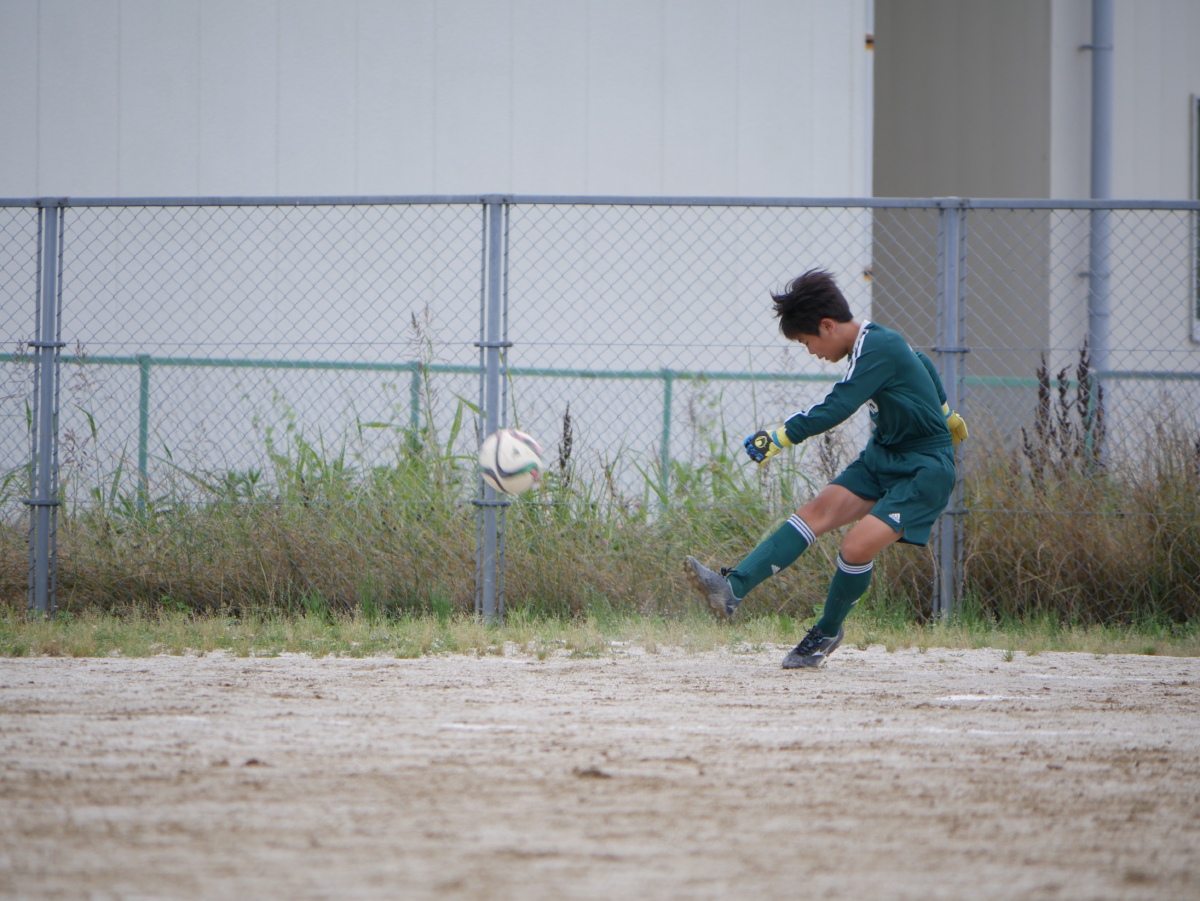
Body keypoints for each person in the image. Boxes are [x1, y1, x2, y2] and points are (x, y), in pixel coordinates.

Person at [685, 269, 968, 669]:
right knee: (814, 513)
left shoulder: (877, 346)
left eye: (807, 341)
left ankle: (826, 632)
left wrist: (782, 435)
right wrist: (944, 410)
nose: (810, 351)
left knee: (855, 546)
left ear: (827, 325)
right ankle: (731, 589)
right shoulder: (877, 343)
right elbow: (918, 359)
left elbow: (838, 406)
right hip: (884, 455)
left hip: (923, 468)